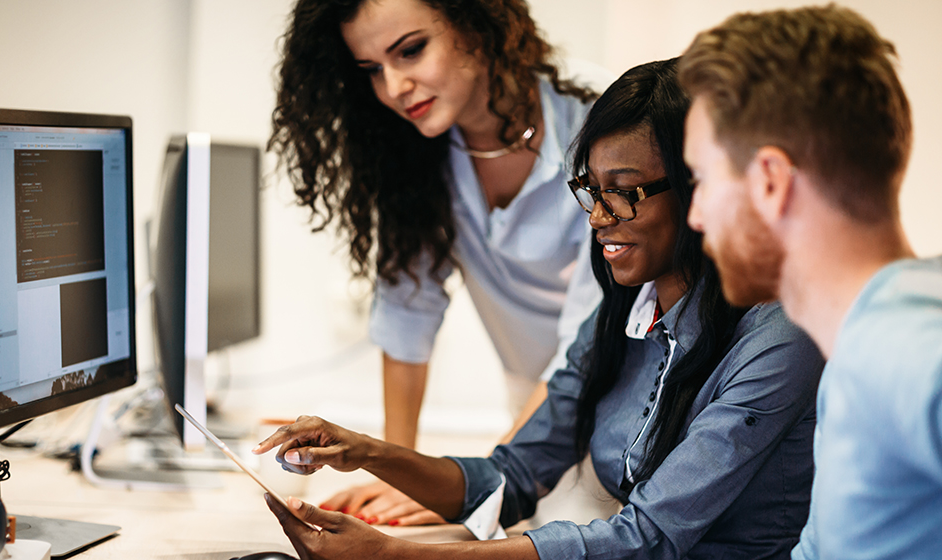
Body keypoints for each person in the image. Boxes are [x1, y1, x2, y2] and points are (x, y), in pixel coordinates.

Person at [255, 58, 826, 560]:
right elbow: (511, 476)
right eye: (591, 191)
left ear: (700, 190)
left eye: (623, 192)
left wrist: (396, 559)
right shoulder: (623, 313)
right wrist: (363, 451)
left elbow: (648, 538)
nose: (599, 218)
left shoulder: (777, 338)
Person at [268, 0, 610, 524]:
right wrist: (395, 471)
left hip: (618, 402)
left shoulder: (600, 115)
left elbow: (587, 337)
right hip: (527, 403)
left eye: (411, 50)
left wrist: (479, 483)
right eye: (372, 70)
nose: (394, 87)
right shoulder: (419, 148)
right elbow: (407, 312)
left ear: (476, 23)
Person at [680, 6, 942, 559]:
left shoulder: (901, 349)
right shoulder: (856, 349)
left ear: (770, 181)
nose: (695, 216)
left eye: (701, 180)